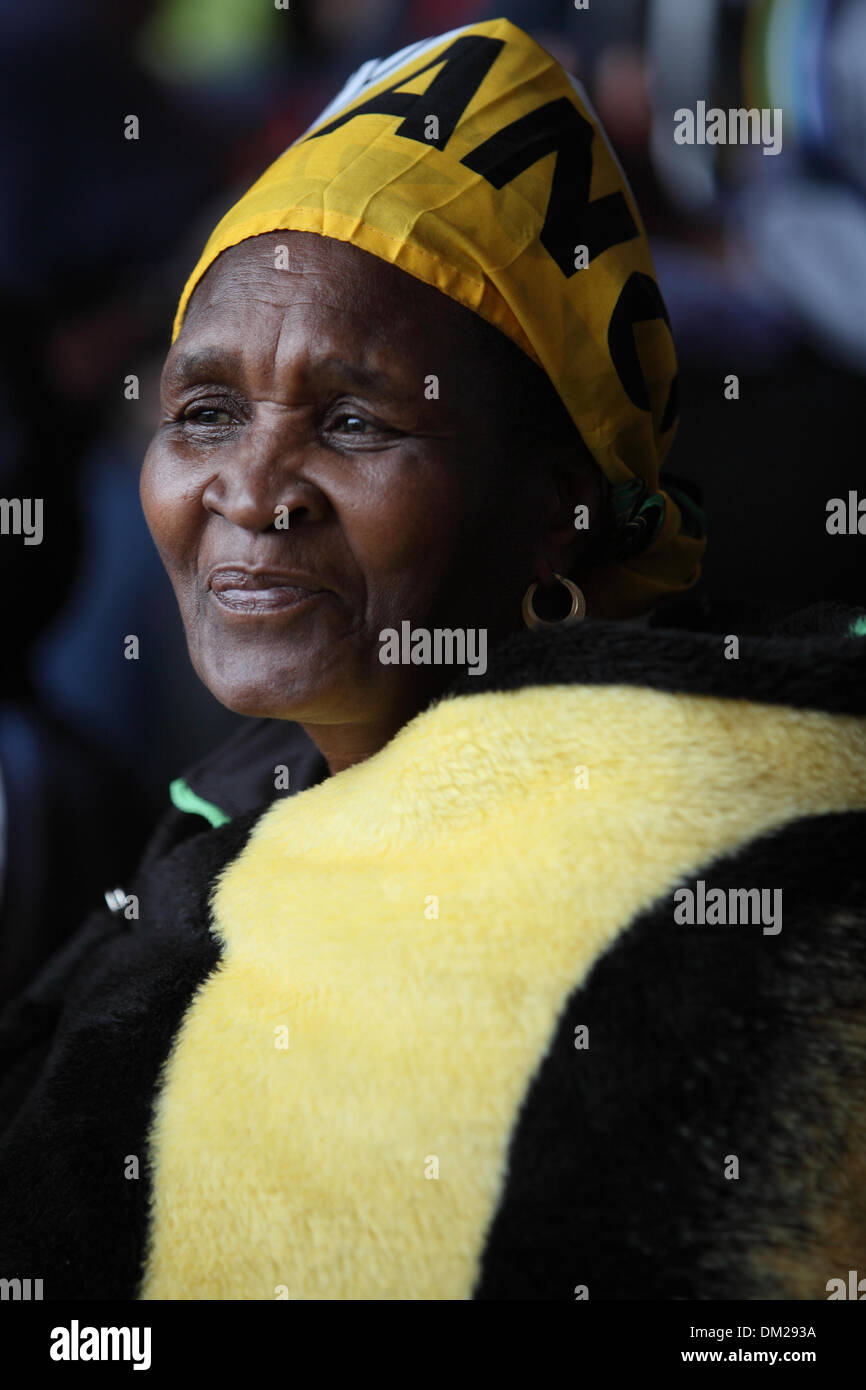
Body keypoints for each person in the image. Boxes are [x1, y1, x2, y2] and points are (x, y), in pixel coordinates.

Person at [1, 17, 865, 1302]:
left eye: (352, 421)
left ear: (553, 504)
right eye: (204, 410)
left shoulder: (705, 876)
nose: (251, 489)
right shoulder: (224, 813)